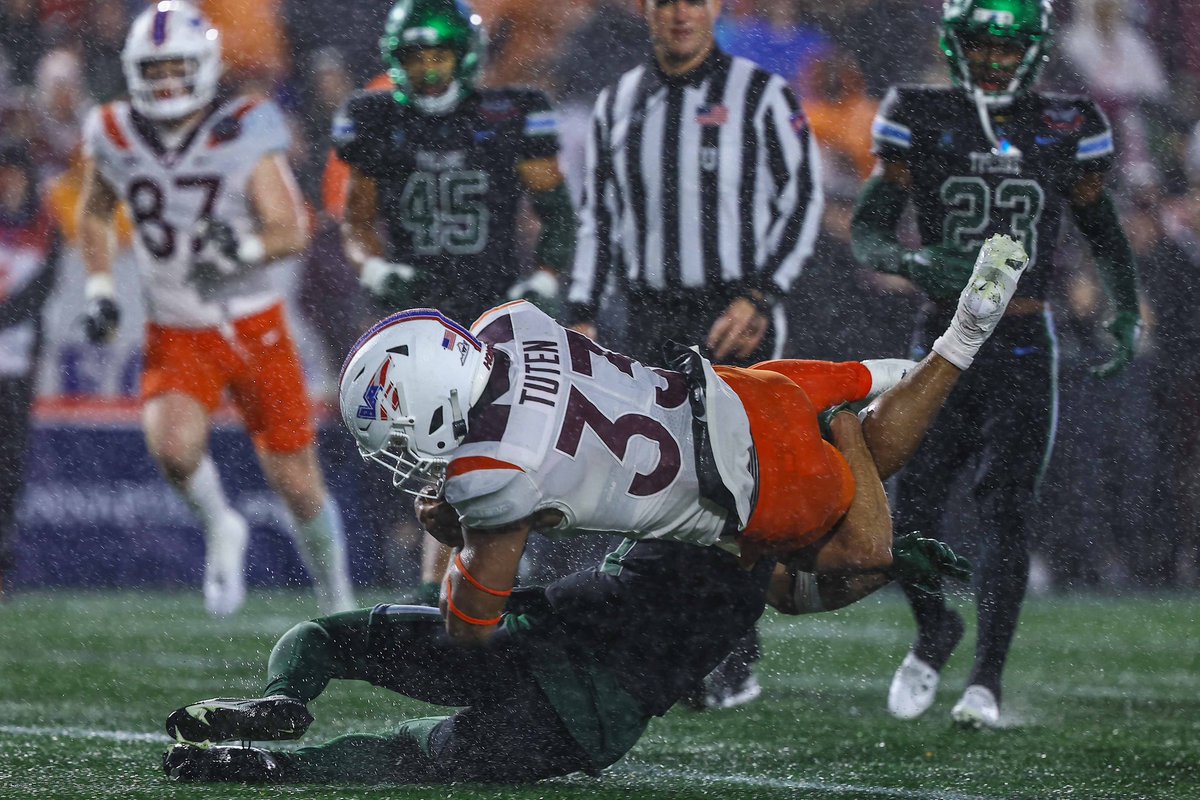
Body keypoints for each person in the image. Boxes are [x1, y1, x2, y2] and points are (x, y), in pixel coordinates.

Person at [158, 233, 1025, 785]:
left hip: (702, 539)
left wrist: (464, 525)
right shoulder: (509, 324)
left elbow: (469, 625)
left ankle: (276, 736)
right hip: (723, 397)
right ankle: (956, 343)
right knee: (873, 425)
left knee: (856, 532)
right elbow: (580, 359)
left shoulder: (497, 473)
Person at [850, 0, 1141, 728]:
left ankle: (987, 681)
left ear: (1038, 49)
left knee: (1005, 510)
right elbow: (868, 233)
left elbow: (1100, 228)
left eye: (1012, 49)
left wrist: (1126, 305)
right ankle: (934, 631)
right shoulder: (920, 112)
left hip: (1021, 340)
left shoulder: (1064, 122)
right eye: (983, 44)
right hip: (943, 340)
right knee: (907, 510)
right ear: (956, 43)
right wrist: (919, 260)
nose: (998, 60)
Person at [565, 0, 824, 709]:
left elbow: (802, 199)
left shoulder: (761, 95)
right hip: (648, 315)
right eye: (666, 1)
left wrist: (762, 295)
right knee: (657, 490)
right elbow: (598, 217)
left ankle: (732, 656)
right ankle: (675, 650)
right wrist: (582, 314)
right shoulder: (618, 100)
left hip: (733, 311)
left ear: (715, 8)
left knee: (735, 492)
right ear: (645, 10)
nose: (680, 13)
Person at [77, 1, 355, 617]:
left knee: (297, 484)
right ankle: (221, 524)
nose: (167, 83)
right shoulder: (114, 131)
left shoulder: (245, 126)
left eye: (178, 68)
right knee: (173, 448)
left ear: (204, 66)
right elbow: (95, 210)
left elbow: (291, 228)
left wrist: (243, 248)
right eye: (154, 71)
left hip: (252, 322)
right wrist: (100, 288)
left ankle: (336, 599)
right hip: (177, 329)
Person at [333, 0, 578, 604]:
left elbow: (556, 215)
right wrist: (375, 266)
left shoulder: (509, 114)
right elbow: (356, 221)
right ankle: (446, 578)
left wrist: (547, 276)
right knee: (428, 449)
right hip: (417, 310)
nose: (429, 71)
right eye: (417, 57)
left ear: (464, 58)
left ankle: (457, 577)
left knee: (486, 446)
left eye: (439, 55)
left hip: (493, 306)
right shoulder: (375, 119)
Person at [0, 143, 60, 600]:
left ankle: (3, 562)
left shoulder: (43, 223)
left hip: (17, 364)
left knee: (10, 466)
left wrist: (8, 316)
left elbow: (45, 287)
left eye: (14, 174)